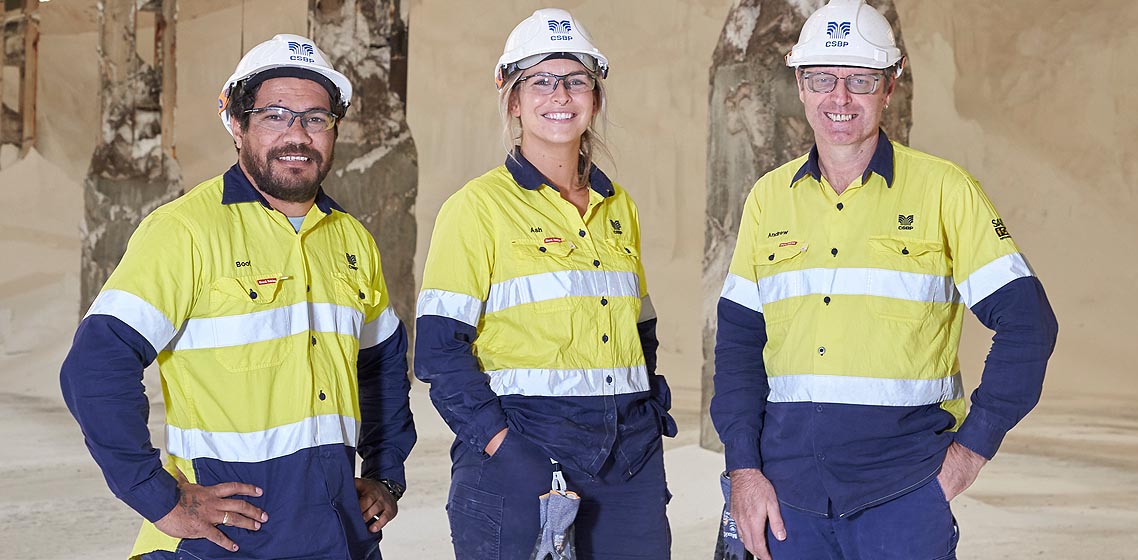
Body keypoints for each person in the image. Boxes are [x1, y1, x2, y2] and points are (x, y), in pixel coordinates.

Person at [710, 1, 1059, 559]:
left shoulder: (945, 191)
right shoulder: (768, 199)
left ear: (889, 87)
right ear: (800, 85)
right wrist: (744, 471)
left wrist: (969, 454)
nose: (839, 98)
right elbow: (738, 347)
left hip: (904, 500)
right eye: (822, 78)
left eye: (861, 80)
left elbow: (1028, 325)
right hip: (787, 504)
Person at [60, 34, 416, 560]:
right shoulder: (184, 231)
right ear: (237, 123)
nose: (297, 135)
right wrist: (159, 498)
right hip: (221, 542)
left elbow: (382, 366)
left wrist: (386, 473)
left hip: (338, 535)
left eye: (315, 118)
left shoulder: (351, 240)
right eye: (275, 115)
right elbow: (95, 366)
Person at [414, 8, 677, 560]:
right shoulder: (476, 209)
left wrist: (645, 409)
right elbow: (440, 352)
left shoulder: (617, 206)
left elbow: (640, 325)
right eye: (540, 80)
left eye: (576, 79)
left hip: (628, 461)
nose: (560, 93)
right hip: (523, 451)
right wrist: (504, 449)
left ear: (595, 98)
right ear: (513, 100)